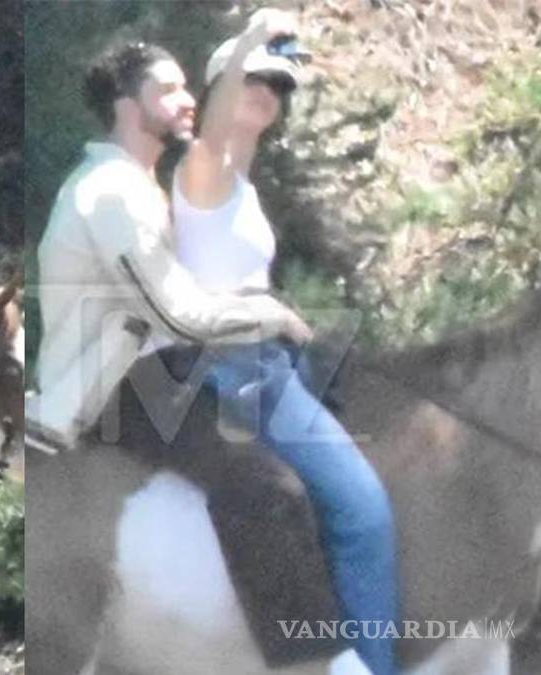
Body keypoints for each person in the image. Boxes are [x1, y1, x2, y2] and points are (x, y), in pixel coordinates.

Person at [172, 10, 399, 674]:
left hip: (269, 358)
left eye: (279, 83)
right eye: (253, 79)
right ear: (220, 86)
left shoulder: (238, 188)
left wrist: (279, 312)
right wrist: (252, 35)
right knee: (364, 512)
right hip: (238, 368)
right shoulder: (201, 166)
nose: (268, 90)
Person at [32, 39, 311, 448]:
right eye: (167, 90)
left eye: (184, 87)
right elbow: (177, 318)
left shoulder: (138, 186)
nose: (188, 101)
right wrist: (274, 317)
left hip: (148, 384)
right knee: (274, 484)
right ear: (126, 107)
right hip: (109, 404)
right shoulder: (110, 192)